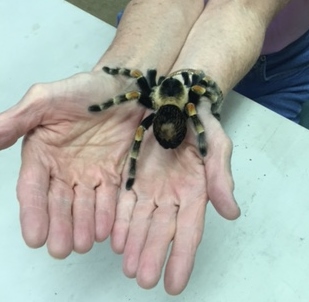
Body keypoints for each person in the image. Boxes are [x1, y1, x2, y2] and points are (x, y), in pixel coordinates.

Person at [0, 0, 308, 295]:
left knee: (142, 131)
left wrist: (118, 93)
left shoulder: (150, 97)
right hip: (165, 46)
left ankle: (133, 170)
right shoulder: (188, 97)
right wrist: (121, 69)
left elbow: (245, 5)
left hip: (281, 67)